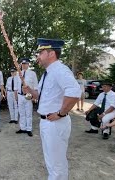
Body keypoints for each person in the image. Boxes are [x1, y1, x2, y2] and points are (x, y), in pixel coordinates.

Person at [24, 38, 81, 180]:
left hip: (55, 123)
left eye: (40, 53)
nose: (38, 57)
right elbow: (41, 96)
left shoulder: (60, 70)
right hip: (46, 122)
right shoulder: (48, 73)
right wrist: (30, 90)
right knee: (51, 161)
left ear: (51, 53)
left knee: (57, 164)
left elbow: (74, 92)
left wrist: (61, 113)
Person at [15, 58, 38, 136]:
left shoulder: (32, 73)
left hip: (28, 96)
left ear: (28, 65)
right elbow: (16, 86)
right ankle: (22, 128)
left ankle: (29, 129)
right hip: (20, 95)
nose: (24, 65)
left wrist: (34, 97)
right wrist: (16, 96)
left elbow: (35, 86)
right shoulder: (18, 73)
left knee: (28, 113)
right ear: (21, 65)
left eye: (26, 64)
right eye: (23, 64)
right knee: (21, 113)